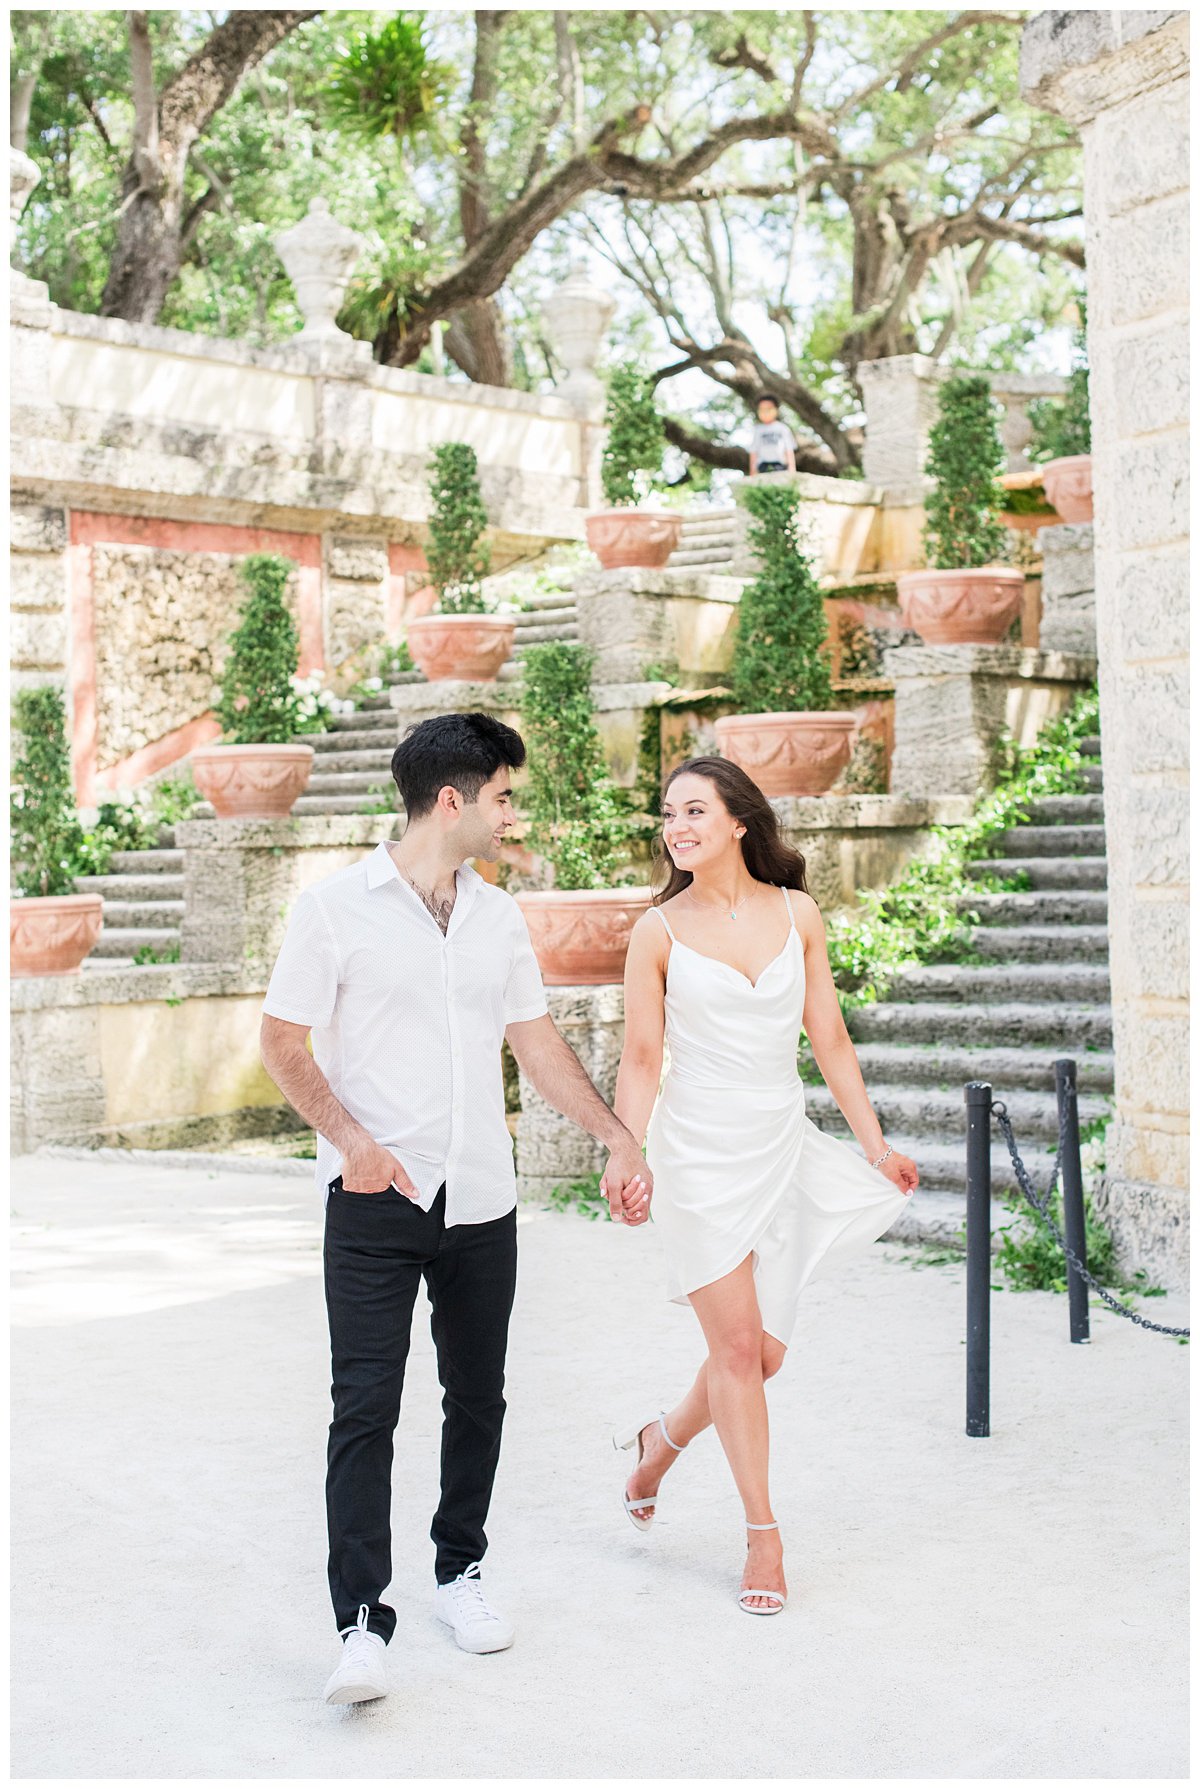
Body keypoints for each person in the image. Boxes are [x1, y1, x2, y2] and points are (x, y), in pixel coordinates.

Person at [260, 711, 651, 1705]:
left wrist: (614, 1133)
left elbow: (537, 1042)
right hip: (373, 1199)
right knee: (366, 1408)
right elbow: (283, 1042)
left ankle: (460, 1570)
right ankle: (360, 1624)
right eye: (505, 796)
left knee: (478, 1395)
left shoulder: (499, 916)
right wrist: (353, 1145)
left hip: (481, 1193)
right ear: (454, 799)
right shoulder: (333, 908)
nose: (512, 814)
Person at [610, 756, 918, 1616]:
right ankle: (763, 1537)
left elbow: (832, 1040)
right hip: (698, 1156)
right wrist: (625, 1153)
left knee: (763, 1354)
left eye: (695, 809)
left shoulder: (799, 913)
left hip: (779, 1142)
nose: (676, 825)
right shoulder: (656, 932)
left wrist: (873, 1145)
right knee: (739, 1351)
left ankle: (658, 1445)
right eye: (668, 812)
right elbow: (640, 1058)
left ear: (739, 820)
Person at [748, 391, 797, 476]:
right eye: (762, 409)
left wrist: (792, 468)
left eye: (768, 409)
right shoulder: (758, 430)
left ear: (776, 410)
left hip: (780, 465)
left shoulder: (783, 428)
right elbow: (753, 451)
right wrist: (752, 470)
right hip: (762, 466)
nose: (765, 412)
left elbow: (789, 450)